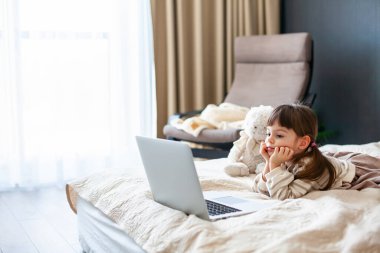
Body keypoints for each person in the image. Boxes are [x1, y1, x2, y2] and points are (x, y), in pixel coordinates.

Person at [252, 104, 357, 200]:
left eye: (279, 135)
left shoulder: (311, 167)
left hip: (351, 172)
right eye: (268, 133)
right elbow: (260, 190)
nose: (269, 140)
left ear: (302, 143)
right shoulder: (283, 157)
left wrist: (274, 165)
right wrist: (268, 162)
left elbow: (284, 197)